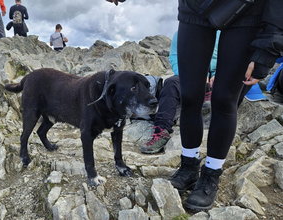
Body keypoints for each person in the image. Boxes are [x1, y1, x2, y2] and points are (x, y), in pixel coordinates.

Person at [109, 0, 283, 211]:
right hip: (195, 8)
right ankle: (189, 166)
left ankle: (211, 174)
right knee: (190, 95)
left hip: (247, 11)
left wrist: (269, 45)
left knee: (224, 99)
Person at [140, 31, 219, 154]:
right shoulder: (183, 31)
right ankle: (161, 131)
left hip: (216, 78)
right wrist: (188, 75)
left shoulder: (221, 33)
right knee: (171, 83)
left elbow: (228, 58)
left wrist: (216, 74)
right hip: (189, 76)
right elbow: (175, 56)